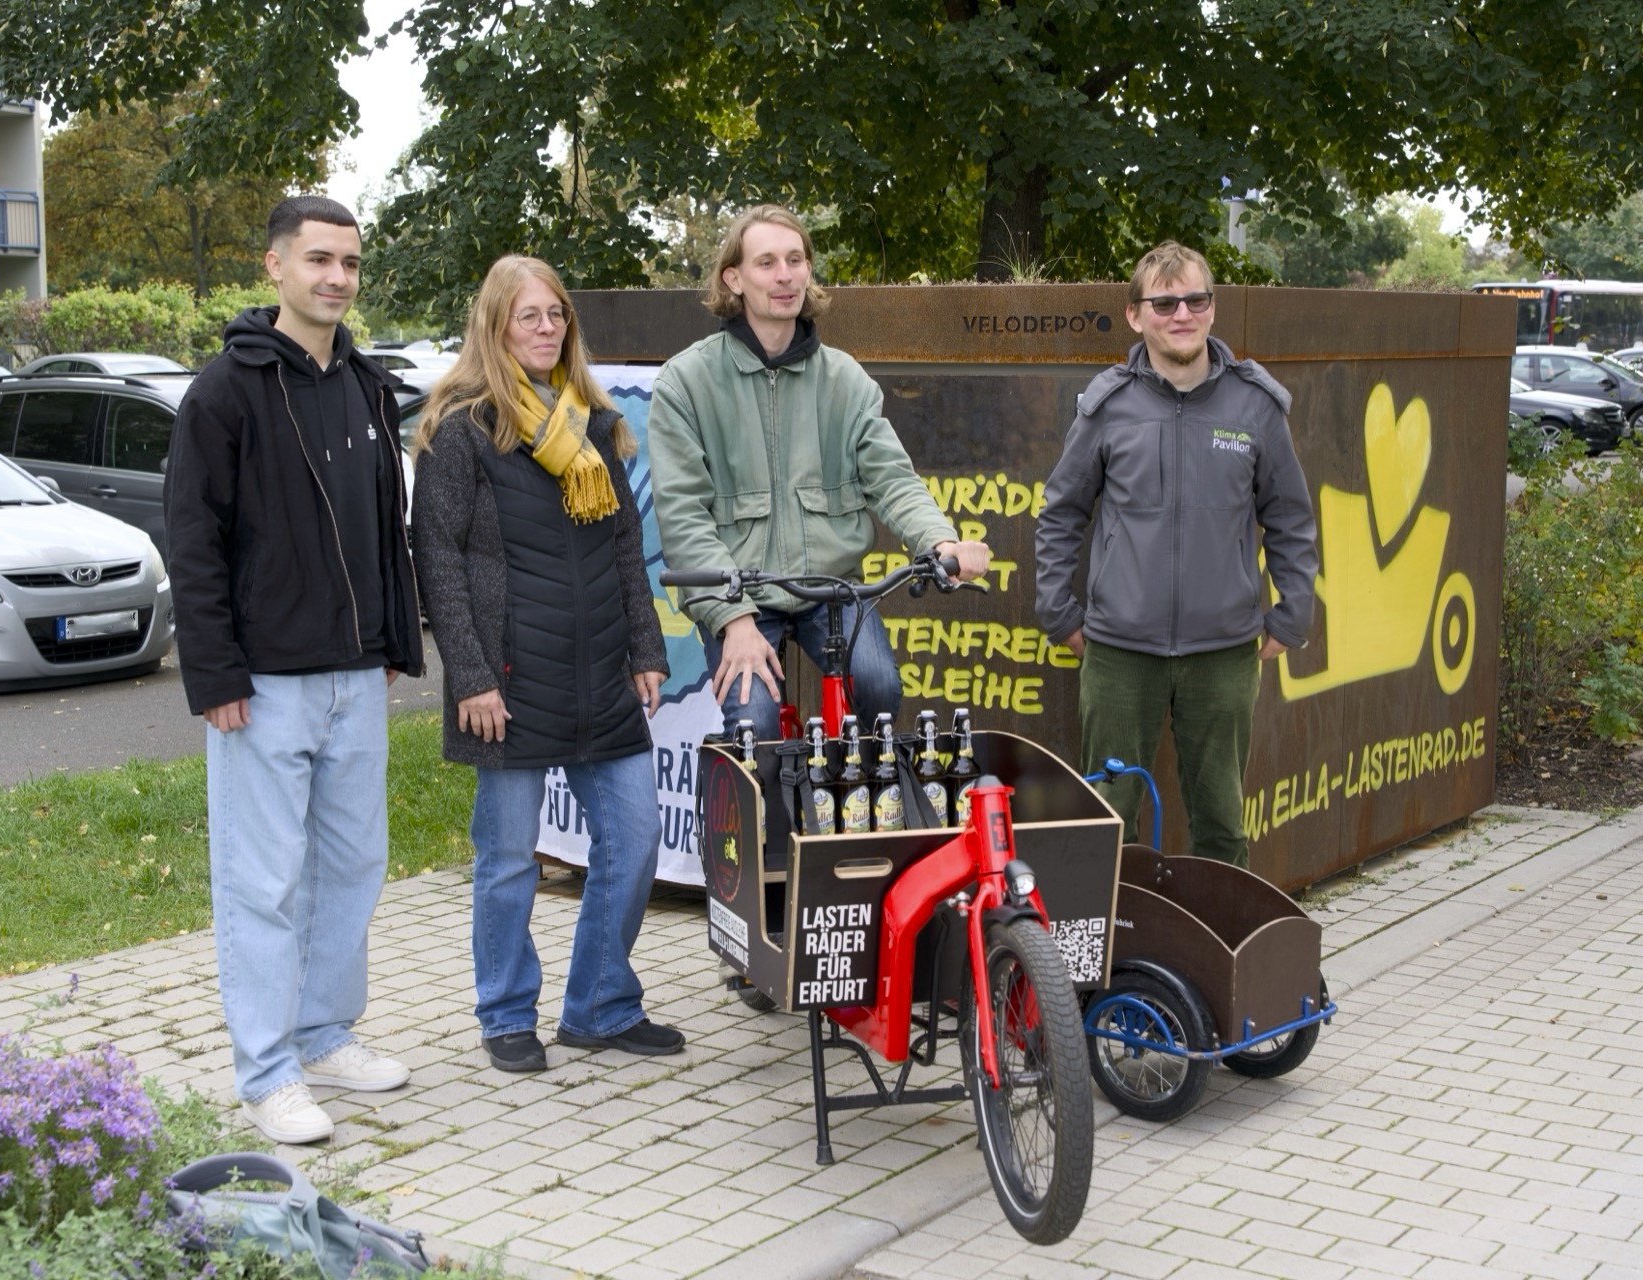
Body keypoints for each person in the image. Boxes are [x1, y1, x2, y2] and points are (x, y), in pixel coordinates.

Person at [165, 195, 422, 1144]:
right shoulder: (225, 392)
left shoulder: (363, 382)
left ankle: (323, 1035)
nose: (338, 278)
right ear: (274, 266)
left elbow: (381, 529)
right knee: (261, 880)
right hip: (263, 684)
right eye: (319, 259)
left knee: (354, 866)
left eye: (350, 262)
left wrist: (394, 639)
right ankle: (267, 1071)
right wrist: (216, 675)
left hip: (356, 676)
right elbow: (193, 542)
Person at [413, 255, 678, 1074]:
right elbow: (439, 562)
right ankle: (504, 1014)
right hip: (510, 680)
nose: (546, 328)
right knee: (506, 862)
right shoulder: (462, 429)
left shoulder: (596, 428)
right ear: (495, 326)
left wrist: (646, 647)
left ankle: (600, 1006)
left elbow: (627, 550)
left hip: (602, 668)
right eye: (528, 316)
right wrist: (472, 675)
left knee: (633, 845)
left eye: (556, 315)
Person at [647, 204, 990, 739]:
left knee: (877, 688)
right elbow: (684, 514)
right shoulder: (686, 382)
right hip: (739, 589)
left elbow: (892, 479)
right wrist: (733, 619)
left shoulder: (844, 379)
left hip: (829, 586)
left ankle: (849, 809)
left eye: (795, 259)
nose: (785, 276)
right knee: (755, 720)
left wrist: (940, 540)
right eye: (766, 263)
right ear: (733, 278)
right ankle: (758, 817)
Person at [1034, 241, 1318, 868]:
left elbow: (1291, 520)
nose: (1181, 313)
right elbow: (1062, 513)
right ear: (1136, 315)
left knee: (1220, 823)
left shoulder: (1256, 407)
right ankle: (1108, 958)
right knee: (1108, 821)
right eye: (1164, 302)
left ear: (1213, 310)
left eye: (1195, 299)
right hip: (1118, 653)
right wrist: (1060, 613)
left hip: (1223, 653)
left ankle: (1222, 957)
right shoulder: (1108, 407)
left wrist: (1291, 616)